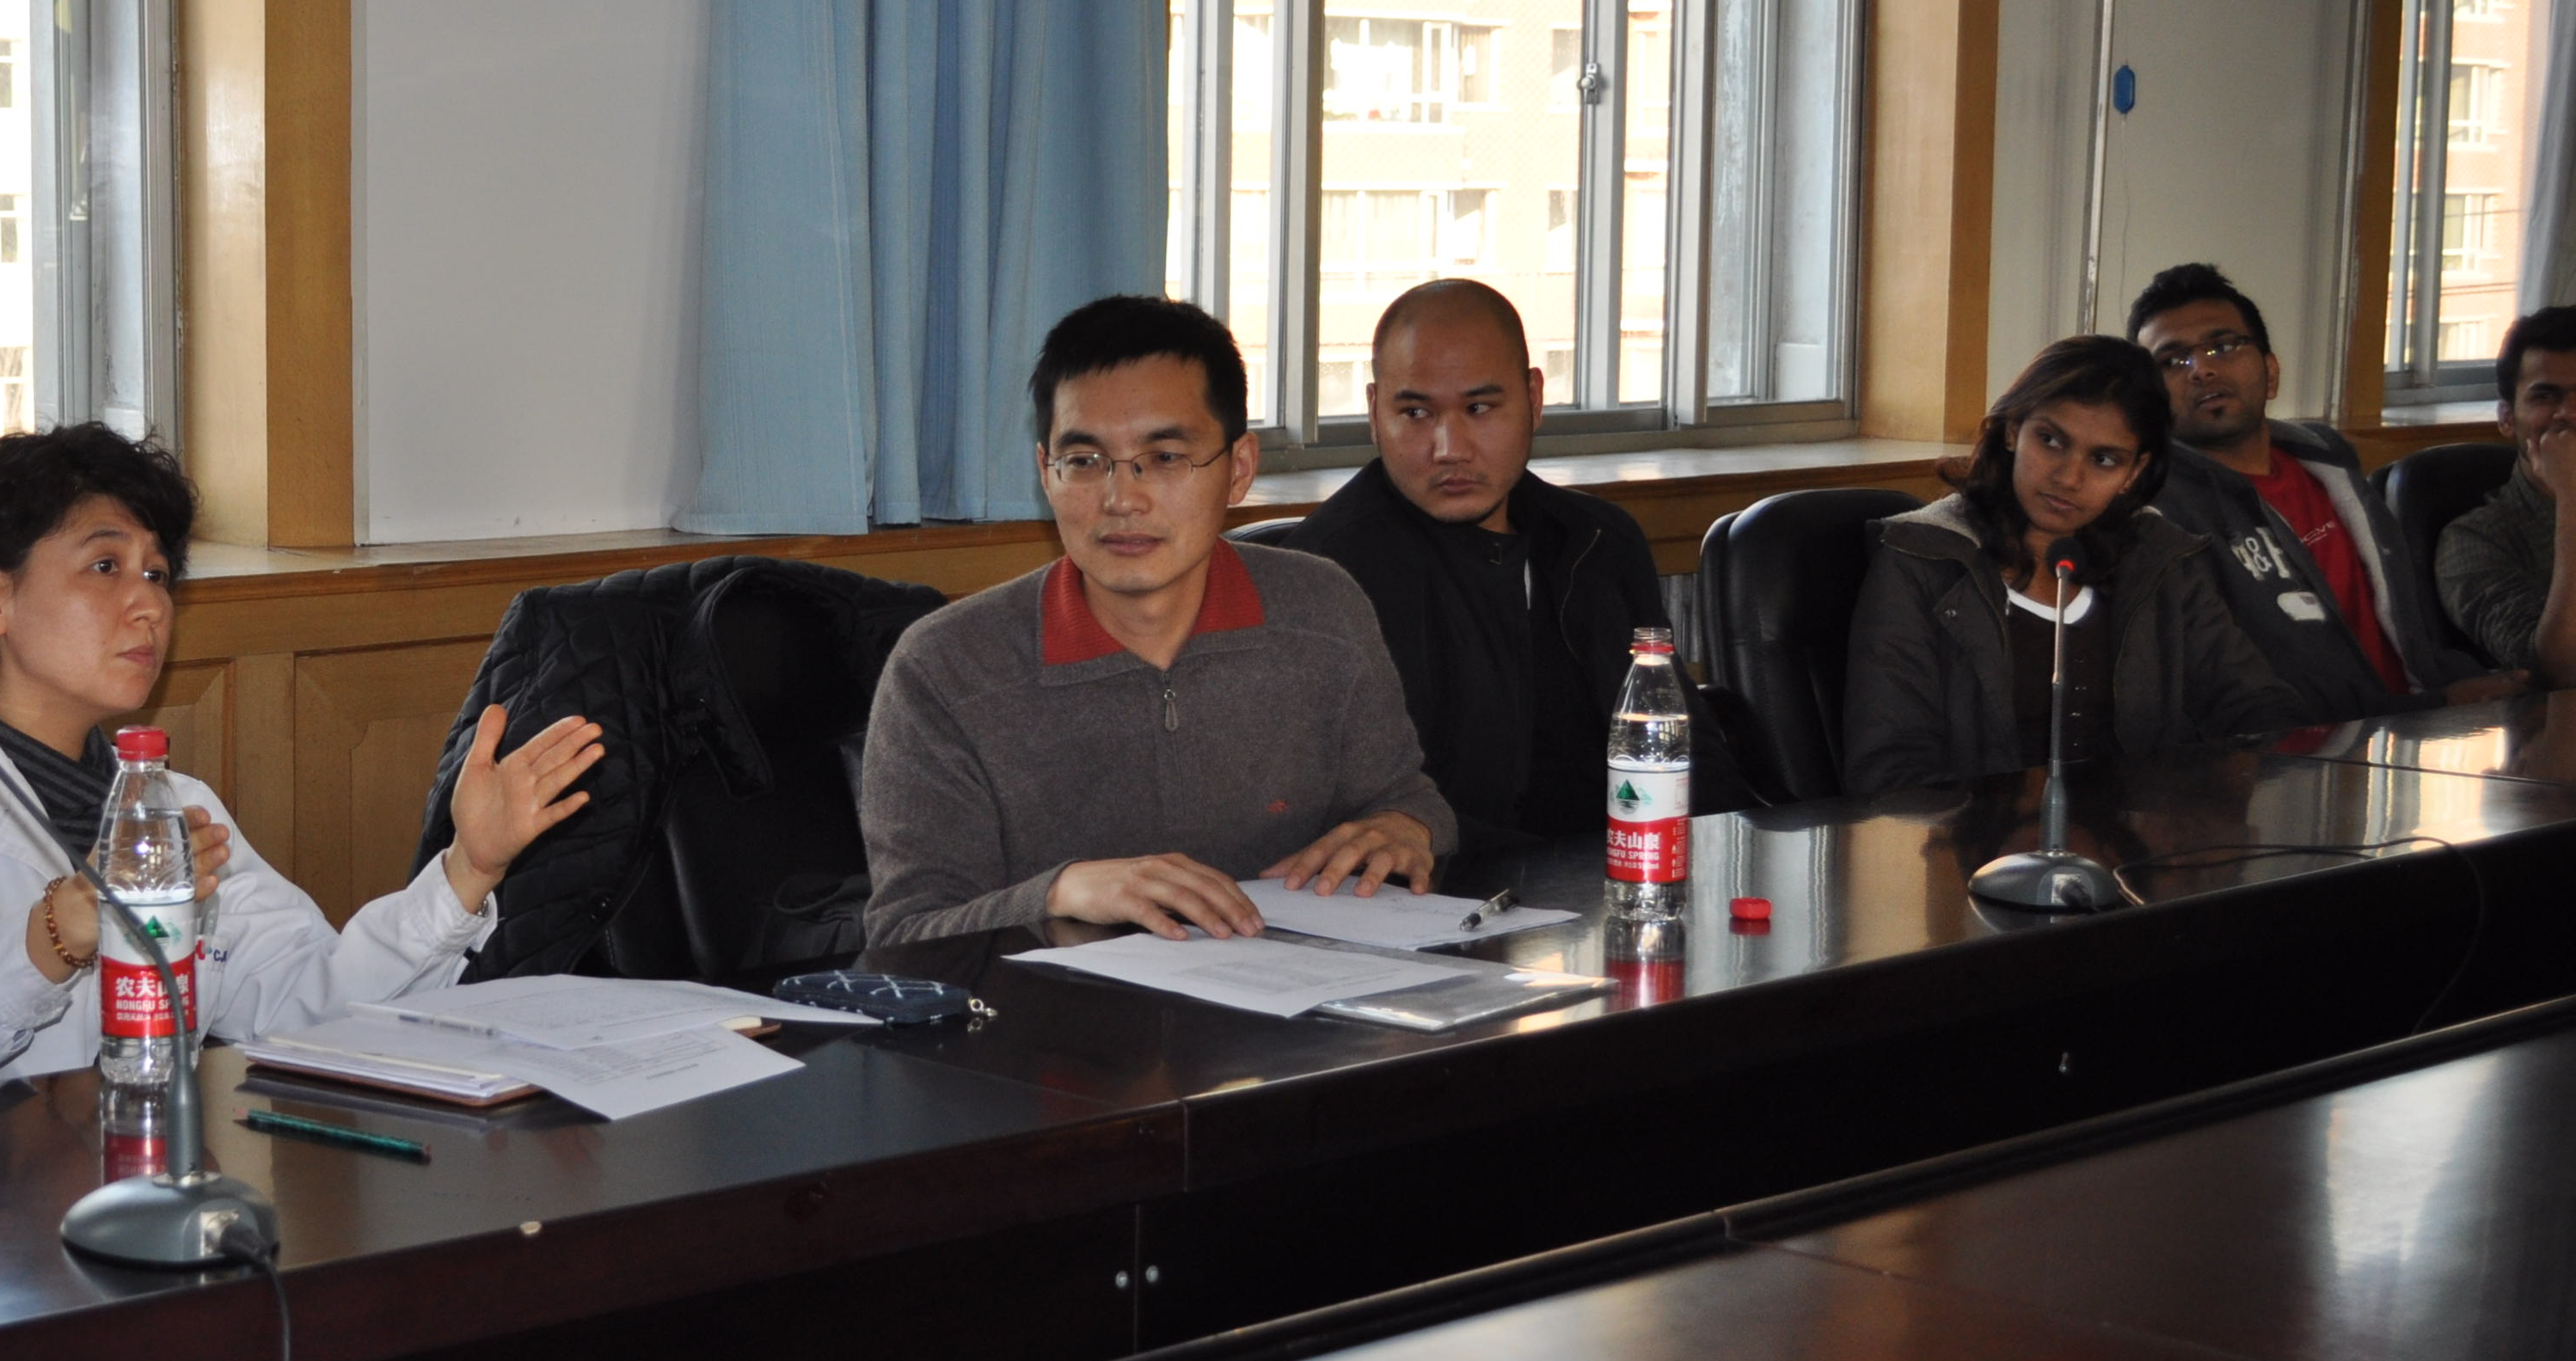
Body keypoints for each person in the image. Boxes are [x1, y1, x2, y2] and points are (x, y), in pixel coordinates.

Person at [0, 425, 603, 1112]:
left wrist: (466, 869)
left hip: (118, 1191)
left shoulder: (172, 806)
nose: (150, 605)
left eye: (158, 574)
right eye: (105, 567)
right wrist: (61, 927)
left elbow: (314, 1004)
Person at [856, 295, 1453, 947]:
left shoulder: (1321, 610)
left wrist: (1407, 826)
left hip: (1296, 1002)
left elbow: (1405, 797)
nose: (1122, 499)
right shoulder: (946, 667)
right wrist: (1059, 893)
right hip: (1049, 1011)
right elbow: (903, 932)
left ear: (1239, 469)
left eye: (1166, 457)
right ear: (1045, 474)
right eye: (1084, 461)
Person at [1276, 278, 1740, 843]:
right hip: (1447, 887)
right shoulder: (1323, 575)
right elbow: (1331, 810)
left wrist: (1729, 854)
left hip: (1629, 873)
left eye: (1479, 408)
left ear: (1534, 398)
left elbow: (1683, 749)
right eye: (1416, 412)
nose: (1450, 448)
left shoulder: (1598, 539)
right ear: (1375, 412)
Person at [1840, 334, 2305, 794]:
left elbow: (2260, 709)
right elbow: (1888, 769)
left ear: (2134, 472)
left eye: (2103, 459)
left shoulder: (2160, 557)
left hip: (2139, 834)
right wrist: (2012, 817)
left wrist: (2202, 797)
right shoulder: (1922, 560)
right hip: (1981, 839)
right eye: (2050, 440)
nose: (2068, 477)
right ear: (2012, 430)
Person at [2125, 262, 2514, 720]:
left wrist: (2459, 689)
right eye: (2172, 361)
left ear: (2271, 372)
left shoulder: (2328, 463)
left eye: (2223, 346)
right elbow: (2244, 700)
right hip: (2312, 749)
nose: (2201, 371)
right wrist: (2435, 704)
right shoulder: (2161, 517)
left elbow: (2409, 638)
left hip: (2415, 722)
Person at [2434, 307, 2576, 685]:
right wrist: (2570, 495)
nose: (2569, 413)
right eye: (2546, 396)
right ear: (2507, 418)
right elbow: (2560, 671)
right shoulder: (2472, 541)